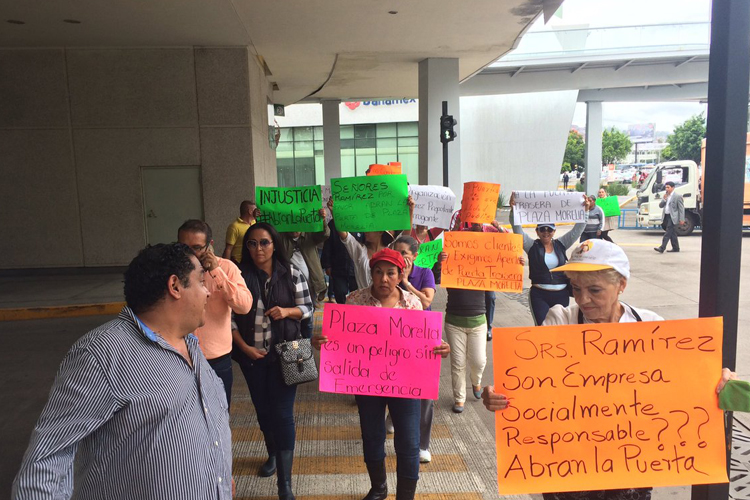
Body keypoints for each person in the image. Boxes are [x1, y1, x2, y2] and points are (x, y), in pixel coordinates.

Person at [481, 239, 737, 500]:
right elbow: (531, 384)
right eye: (576, 289)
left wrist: (715, 379)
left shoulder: (651, 327)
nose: (583, 299)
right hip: (569, 464)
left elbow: (683, 380)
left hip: (632, 461)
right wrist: (501, 395)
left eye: (594, 289)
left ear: (621, 285)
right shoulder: (560, 320)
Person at [13, 243, 233, 500]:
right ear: (175, 286)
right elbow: (46, 462)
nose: (208, 292)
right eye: (201, 282)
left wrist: (221, 481)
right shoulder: (102, 355)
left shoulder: (193, 347)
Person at [312, 248, 450, 500]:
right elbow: (342, 339)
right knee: (372, 437)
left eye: (390, 273)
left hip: (406, 384)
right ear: (371, 273)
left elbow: (424, 340)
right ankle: (379, 487)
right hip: (367, 385)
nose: (384, 279)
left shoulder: (412, 302)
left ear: (400, 275)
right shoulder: (355, 299)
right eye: (378, 272)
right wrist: (324, 341)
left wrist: (441, 347)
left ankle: (405, 496)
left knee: (408, 443)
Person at [232, 223, 313, 500]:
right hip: (252, 357)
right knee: (263, 412)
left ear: (274, 244)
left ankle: (285, 483)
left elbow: (307, 308)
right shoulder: (240, 276)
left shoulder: (291, 273)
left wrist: (288, 310)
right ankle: (273, 455)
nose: (258, 249)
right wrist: (244, 349)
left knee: (282, 414)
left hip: (288, 352)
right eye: (252, 244)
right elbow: (230, 319)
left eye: (264, 243)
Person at [177, 219, 253, 407]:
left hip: (216, 359)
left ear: (209, 246)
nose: (190, 254)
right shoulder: (172, 270)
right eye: (184, 247)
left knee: (218, 413)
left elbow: (243, 306)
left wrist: (216, 272)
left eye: (196, 248)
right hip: (180, 357)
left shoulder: (226, 268)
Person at [391, 235, 437, 463]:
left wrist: (407, 282)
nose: (400, 260)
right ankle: (393, 415)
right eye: (397, 255)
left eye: (405, 256)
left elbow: (426, 302)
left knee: (425, 394)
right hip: (394, 341)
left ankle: (422, 444)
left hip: (422, 339)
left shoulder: (425, 273)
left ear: (415, 256)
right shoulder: (388, 275)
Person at [510, 192, 587, 326]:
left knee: (561, 328)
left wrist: (584, 211)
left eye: (549, 229)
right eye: (542, 229)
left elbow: (577, 230)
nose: (546, 232)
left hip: (561, 294)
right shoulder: (531, 246)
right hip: (540, 295)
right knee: (542, 328)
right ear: (537, 231)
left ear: (554, 231)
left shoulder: (561, 244)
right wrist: (513, 210)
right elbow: (517, 229)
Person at [255, 207, 329, 338]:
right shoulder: (280, 237)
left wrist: (322, 219)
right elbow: (266, 233)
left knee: (308, 314)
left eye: (298, 224)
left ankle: (307, 342)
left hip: (311, 284)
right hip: (287, 285)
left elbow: (324, 234)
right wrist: (259, 219)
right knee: (292, 314)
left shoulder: (310, 235)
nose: (295, 229)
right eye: (292, 224)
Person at [327, 196, 414, 290]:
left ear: (380, 232)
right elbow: (344, 234)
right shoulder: (359, 250)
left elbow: (405, 236)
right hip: (364, 302)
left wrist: (410, 210)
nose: (365, 232)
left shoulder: (390, 250)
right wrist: (334, 212)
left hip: (387, 301)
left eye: (370, 229)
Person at [321, 218, 358, 304]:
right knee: (340, 292)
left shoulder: (360, 221)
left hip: (356, 268)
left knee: (357, 293)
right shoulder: (333, 224)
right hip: (338, 266)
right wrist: (327, 265)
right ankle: (343, 311)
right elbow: (328, 245)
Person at [654, 181, 685, 253]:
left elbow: (681, 208)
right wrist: (664, 199)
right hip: (666, 215)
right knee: (672, 232)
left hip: (673, 217)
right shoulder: (666, 196)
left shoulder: (677, 196)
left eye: (668, 187)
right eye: (666, 187)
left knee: (668, 232)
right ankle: (676, 248)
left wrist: (682, 219)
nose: (667, 189)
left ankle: (662, 247)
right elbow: (660, 206)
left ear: (673, 188)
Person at [223, 199, 256, 263]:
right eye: (255, 210)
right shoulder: (234, 227)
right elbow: (228, 249)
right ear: (250, 211)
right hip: (239, 262)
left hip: (252, 261)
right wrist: (227, 266)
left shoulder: (254, 223)